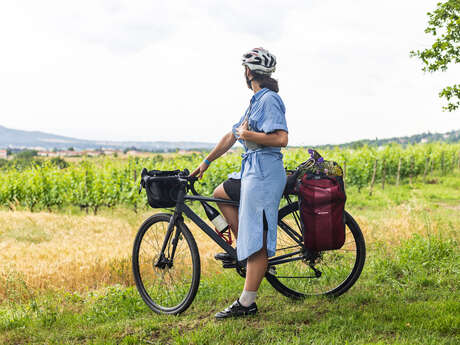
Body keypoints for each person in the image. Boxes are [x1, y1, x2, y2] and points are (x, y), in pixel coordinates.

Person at [190, 47, 288, 319]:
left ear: (248, 72)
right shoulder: (255, 100)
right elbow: (232, 136)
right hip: (253, 171)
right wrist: (206, 162)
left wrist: (250, 133)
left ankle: (247, 303)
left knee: (256, 237)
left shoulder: (269, 100)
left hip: (265, 174)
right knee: (221, 193)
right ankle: (245, 250)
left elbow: (281, 139)